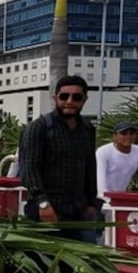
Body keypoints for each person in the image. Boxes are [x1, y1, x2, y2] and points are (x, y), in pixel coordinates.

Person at [19, 75, 101, 243]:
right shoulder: (39, 127)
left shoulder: (87, 129)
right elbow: (29, 169)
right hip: (48, 210)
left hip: (79, 210)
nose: (70, 101)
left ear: (84, 100)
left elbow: (90, 167)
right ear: (55, 98)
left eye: (76, 97)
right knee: (48, 264)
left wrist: (92, 201)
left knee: (86, 262)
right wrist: (43, 203)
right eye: (64, 96)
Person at [96, 120, 138, 199]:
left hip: (119, 198)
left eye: (131, 133)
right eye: (124, 133)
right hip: (97, 198)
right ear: (115, 136)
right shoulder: (103, 152)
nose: (128, 136)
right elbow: (100, 180)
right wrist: (105, 199)